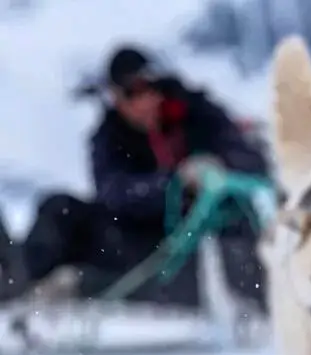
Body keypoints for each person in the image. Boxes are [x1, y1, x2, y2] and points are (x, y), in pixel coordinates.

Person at [0, 44, 269, 312]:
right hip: (138, 241)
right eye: (129, 93)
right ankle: (17, 289)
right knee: (59, 209)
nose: (141, 101)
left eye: (146, 88)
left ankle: (261, 305)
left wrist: (216, 166)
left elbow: (251, 159)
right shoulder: (110, 136)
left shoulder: (198, 114)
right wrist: (173, 184)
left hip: (204, 244)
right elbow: (113, 192)